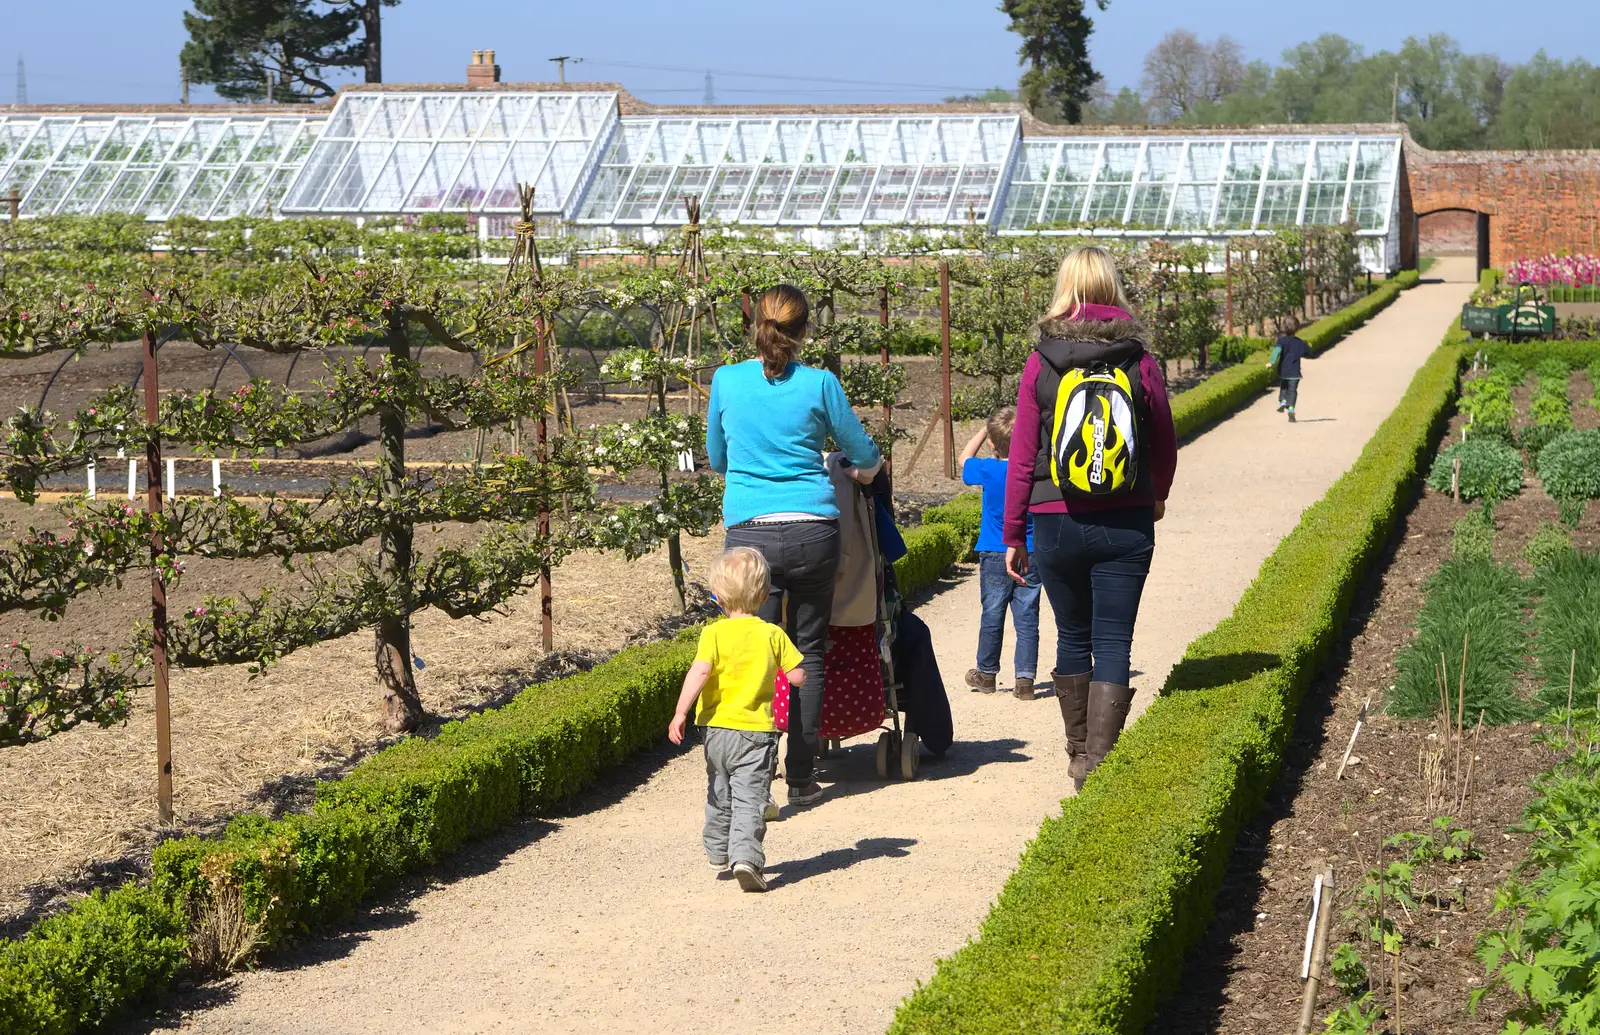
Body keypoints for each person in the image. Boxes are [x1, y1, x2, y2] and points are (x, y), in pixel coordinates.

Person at [1003, 246, 1177, 791]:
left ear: (1065, 289)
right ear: (1112, 288)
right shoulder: (1138, 357)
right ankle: (1102, 763)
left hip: (1056, 516)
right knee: (1115, 641)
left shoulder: (1043, 359)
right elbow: (1166, 441)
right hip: (1125, 516)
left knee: (1072, 635)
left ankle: (1078, 754)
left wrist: (1013, 531)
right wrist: (1155, 493)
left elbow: (1023, 454)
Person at [706, 284, 882, 808]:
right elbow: (863, 452)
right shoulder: (820, 383)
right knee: (809, 652)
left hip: (750, 533)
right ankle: (802, 778)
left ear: (752, 326)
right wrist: (860, 471)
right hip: (813, 532)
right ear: (804, 330)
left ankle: (754, 786)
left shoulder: (726, 380)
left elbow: (718, 459)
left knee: (751, 655)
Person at [668, 548, 806, 893]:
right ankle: (745, 856)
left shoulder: (713, 634)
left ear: (717, 597)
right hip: (756, 733)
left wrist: (680, 712)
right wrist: (794, 671)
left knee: (719, 789)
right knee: (751, 797)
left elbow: (699, 672)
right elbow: (799, 676)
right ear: (763, 595)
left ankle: (717, 850)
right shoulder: (772, 634)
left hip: (716, 730)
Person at [958, 408, 1041, 701]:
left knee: (992, 612)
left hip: (994, 551)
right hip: (1030, 550)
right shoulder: (1032, 469)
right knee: (1027, 616)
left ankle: (987, 673)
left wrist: (984, 430)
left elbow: (963, 459)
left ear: (993, 443)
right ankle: (1025, 680)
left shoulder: (988, 470)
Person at [1268, 316, 1310, 423]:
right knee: (1293, 390)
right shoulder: (1300, 343)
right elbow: (1308, 353)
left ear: (1283, 327)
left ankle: (1282, 402)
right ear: (1297, 328)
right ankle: (1291, 409)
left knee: (1284, 386)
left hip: (1284, 370)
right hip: (1295, 372)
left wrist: (1271, 362)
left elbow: (1276, 352)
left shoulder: (1281, 341)